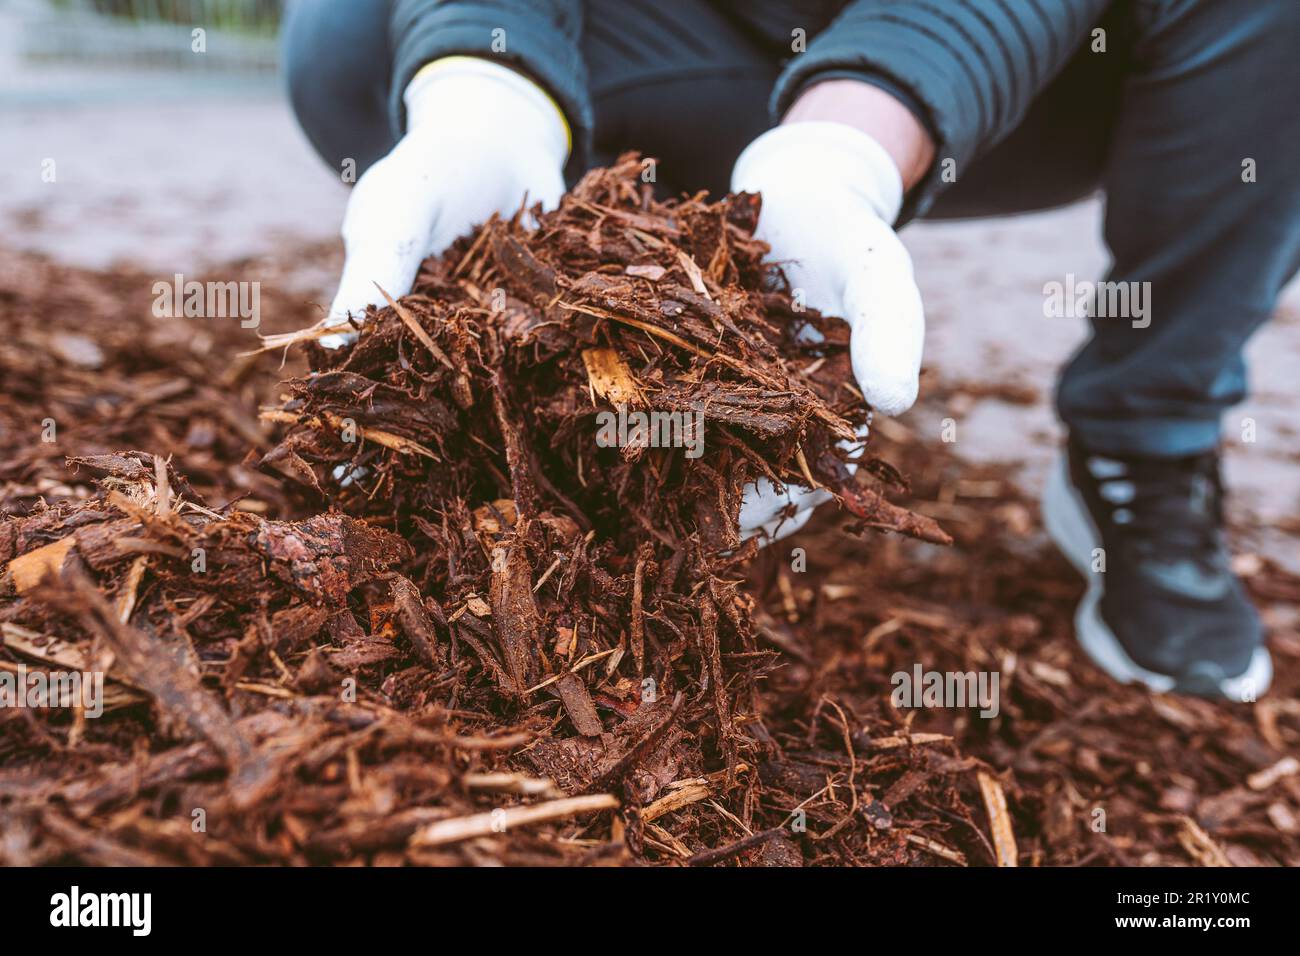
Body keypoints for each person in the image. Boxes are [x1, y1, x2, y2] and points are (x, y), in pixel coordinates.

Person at [281, 0, 1300, 701]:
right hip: (670, 35)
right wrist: (484, 78)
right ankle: (559, 179)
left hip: (1038, 60)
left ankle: (1146, 437)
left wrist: (853, 140)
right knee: (354, 33)